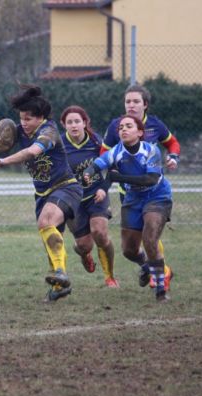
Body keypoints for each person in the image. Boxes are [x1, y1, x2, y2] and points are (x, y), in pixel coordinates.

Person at [0, 85, 83, 302]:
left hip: (66, 187)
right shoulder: (22, 129)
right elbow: (0, 135)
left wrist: (0, 162)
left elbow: (31, 152)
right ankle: (59, 286)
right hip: (42, 193)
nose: (23, 123)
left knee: (46, 222)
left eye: (28, 119)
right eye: (21, 118)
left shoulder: (49, 132)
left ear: (41, 117)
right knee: (50, 242)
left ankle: (61, 273)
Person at [84, 114, 173, 301]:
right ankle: (148, 267)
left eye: (128, 126)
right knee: (129, 250)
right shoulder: (116, 151)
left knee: (149, 239)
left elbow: (151, 179)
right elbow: (99, 164)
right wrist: (88, 173)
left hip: (157, 196)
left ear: (140, 132)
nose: (123, 129)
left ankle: (160, 290)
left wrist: (119, 178)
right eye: (121, 127)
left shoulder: (151, 150)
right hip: (133, 198)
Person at [101, 84, 179, 292]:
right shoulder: (116, 126)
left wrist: (173, 157)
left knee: (150, 234)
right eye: (128, 101)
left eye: (136, 101)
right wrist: (107, 173)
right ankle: (150, 267)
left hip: (153, 191)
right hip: (128, 194)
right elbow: (103, 154)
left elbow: (172, 143)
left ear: (145, 104)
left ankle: (159, 276)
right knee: (129, 248)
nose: (131, 105)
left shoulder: (155, 125)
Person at [59, 105, 118, 288]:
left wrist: (104, 189)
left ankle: (110, 277)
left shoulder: (97, 142)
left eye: (77, 121)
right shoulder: (58, 145)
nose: (74, 125)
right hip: (73, 200)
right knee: (84, 245)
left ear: (85, 123)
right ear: (64, 125)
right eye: (69, 122)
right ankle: (84, 254)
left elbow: (112, 168)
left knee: (100, 233)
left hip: (96, 195)